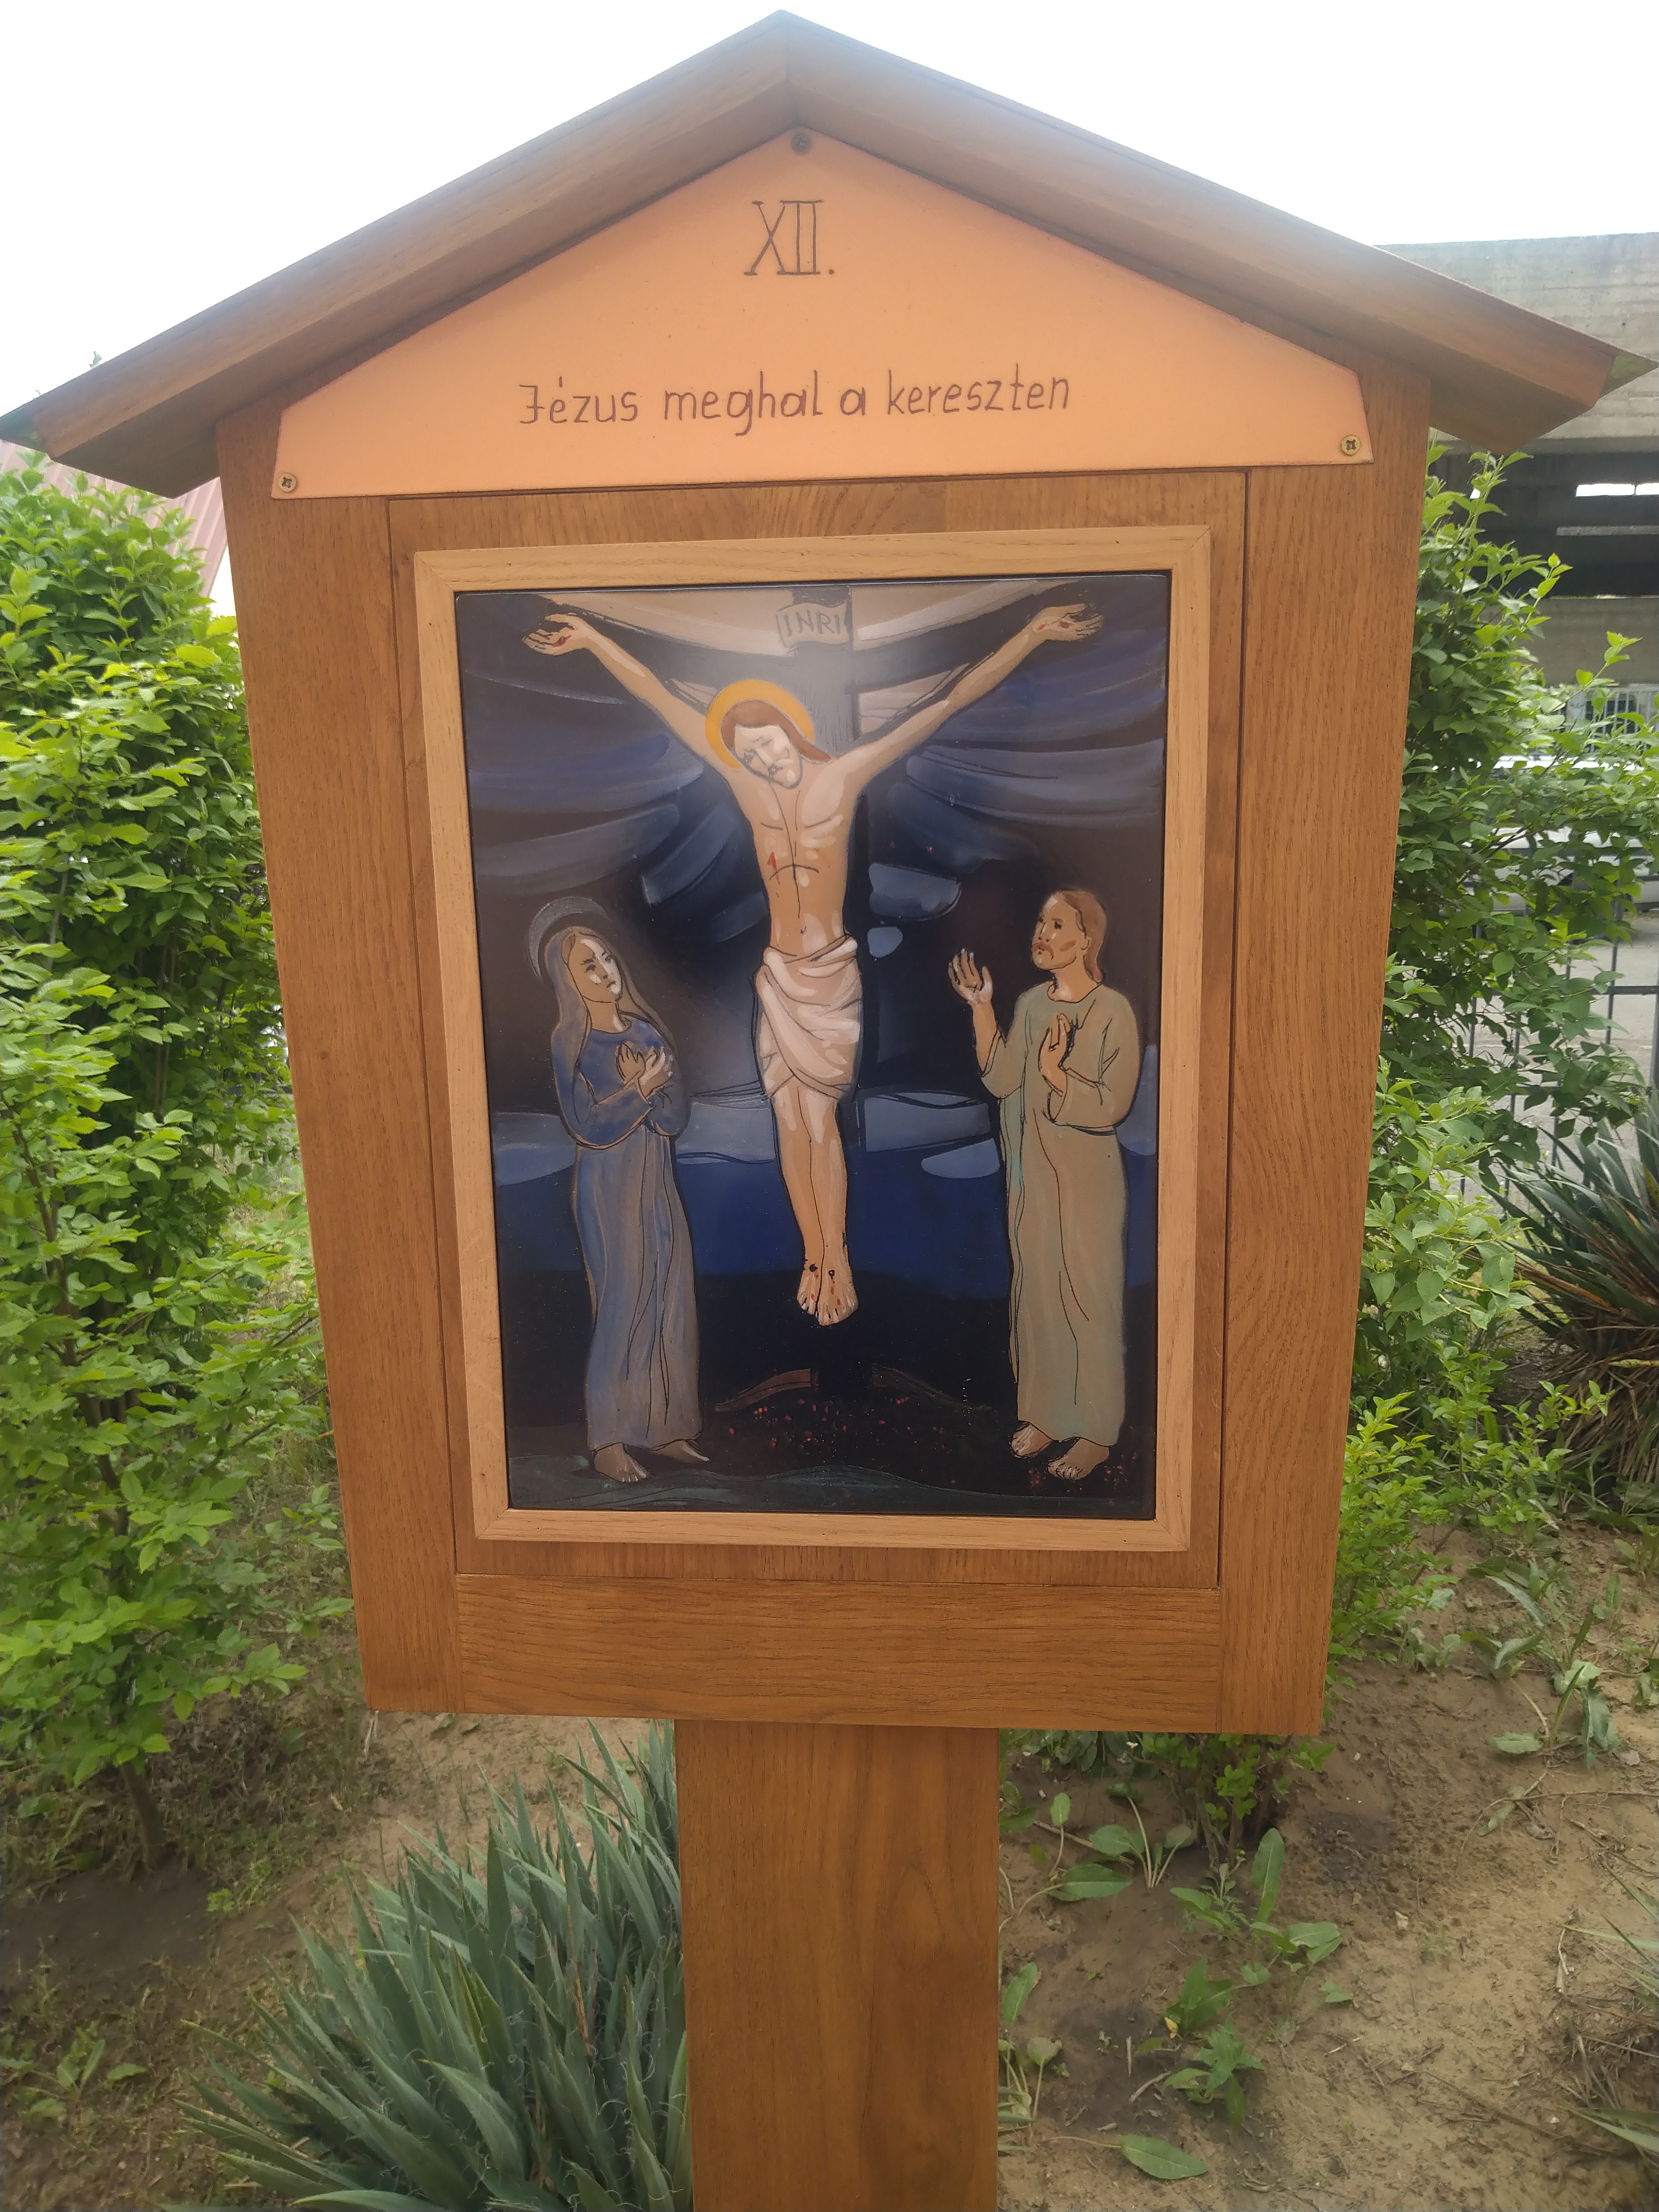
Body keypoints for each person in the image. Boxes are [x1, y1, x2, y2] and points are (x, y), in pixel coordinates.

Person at [526, 601, 1101, 1327]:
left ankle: (840, 1258)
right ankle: (812, 1255)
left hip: (828, 974)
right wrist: (593, 640)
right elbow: (660, 697)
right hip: (778, 976)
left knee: (821, 1120)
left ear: (790, 730)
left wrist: (1029, 634)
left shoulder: (844, 778)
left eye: (769, 744)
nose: (765, 761)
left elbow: (946, 701)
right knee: (789, 1122)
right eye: (751, 753)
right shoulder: (750, 792)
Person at [948, 891, 1141, 1480]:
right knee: (1037, 1297)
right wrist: (982, 1008)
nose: (1043, 933)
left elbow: (1112, 1105)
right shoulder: (1031, 1004)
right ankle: (1048, 1415)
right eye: (1041, 922)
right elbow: (1003, 1078)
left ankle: (1096, 1432)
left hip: (1086, 1186)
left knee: (1088, 1300)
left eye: (1058, 925)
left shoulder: (1113, 1011)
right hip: (1032, 1179)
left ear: (1086, 940)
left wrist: (1057, 1074)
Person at [544, 925, 705, 1484]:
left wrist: (653, 1092)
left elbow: (674, 1118)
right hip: (607, 1184)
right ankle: (609, 1441)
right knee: (622, 1298)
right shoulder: (571, 1041)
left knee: (669, 1292)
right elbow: (586, 1124)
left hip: (656, 1177)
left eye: (607, 958)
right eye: (588, 965)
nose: (604, 971)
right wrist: (639, 1090)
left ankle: (669, 1429)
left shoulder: (646, 1031)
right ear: (569, 980)